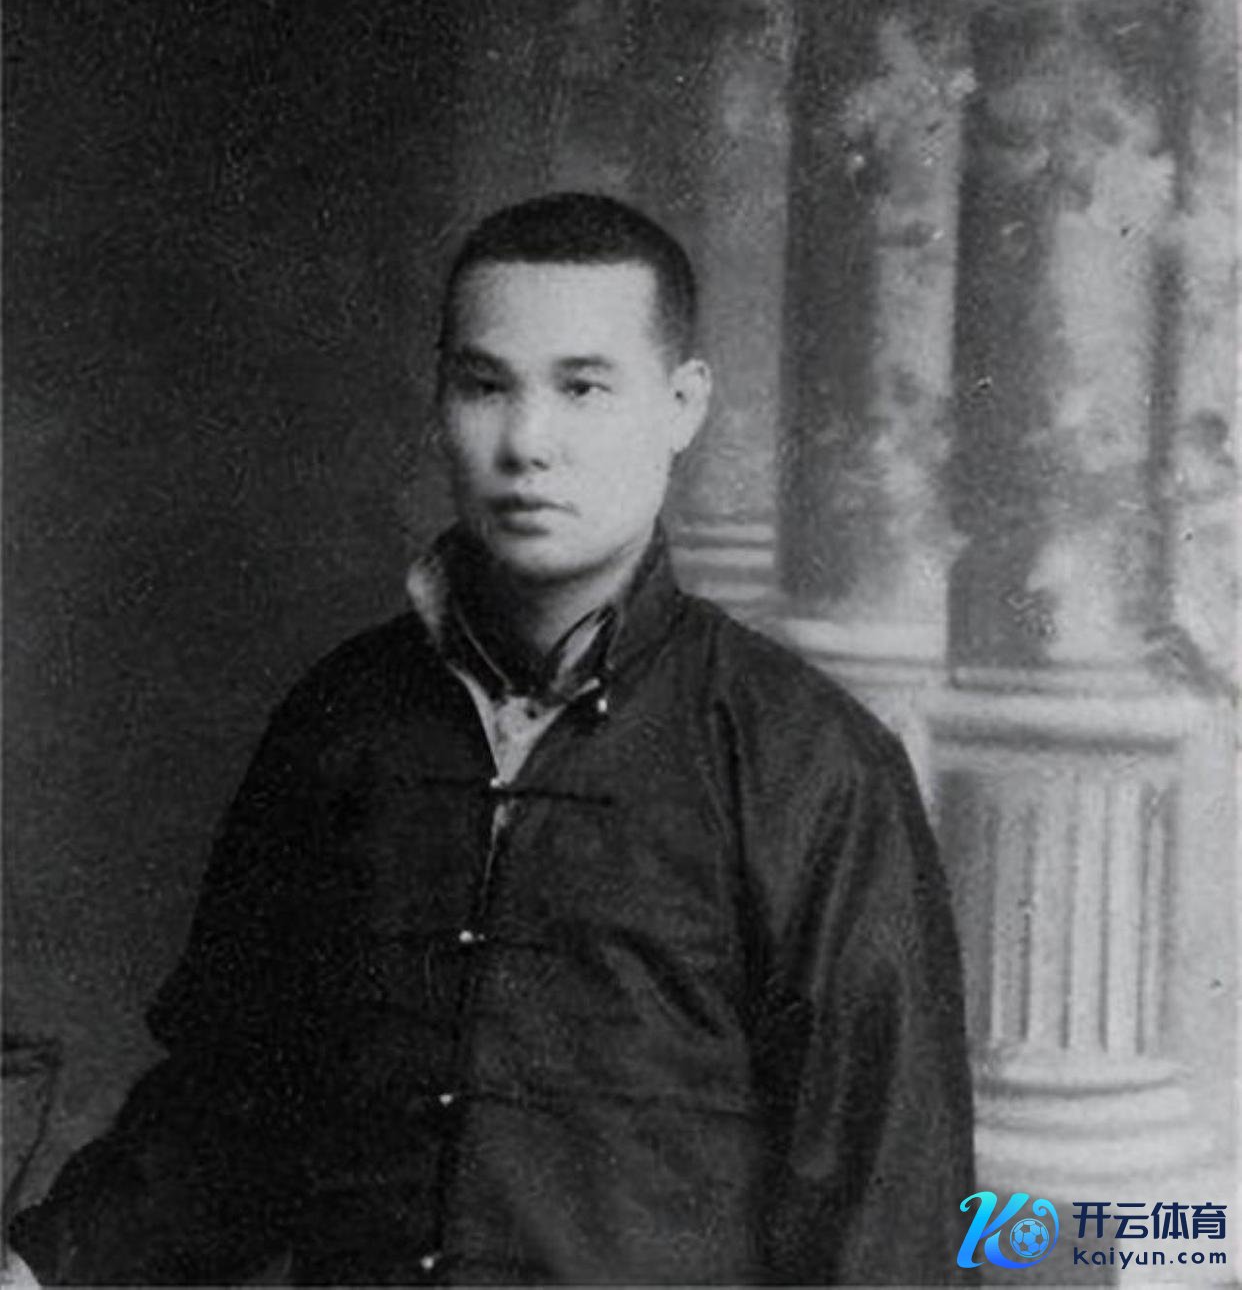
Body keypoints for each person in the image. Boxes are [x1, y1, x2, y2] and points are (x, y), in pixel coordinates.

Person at [7, 193, 975, 1286]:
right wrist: (42, 1271)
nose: (526, 444)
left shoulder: (812, 765)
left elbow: (891, 1215)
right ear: (440, 402)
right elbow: (230, 1122)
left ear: (683, 404)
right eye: (485, 386)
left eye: (583, 388)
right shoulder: (340, 723)